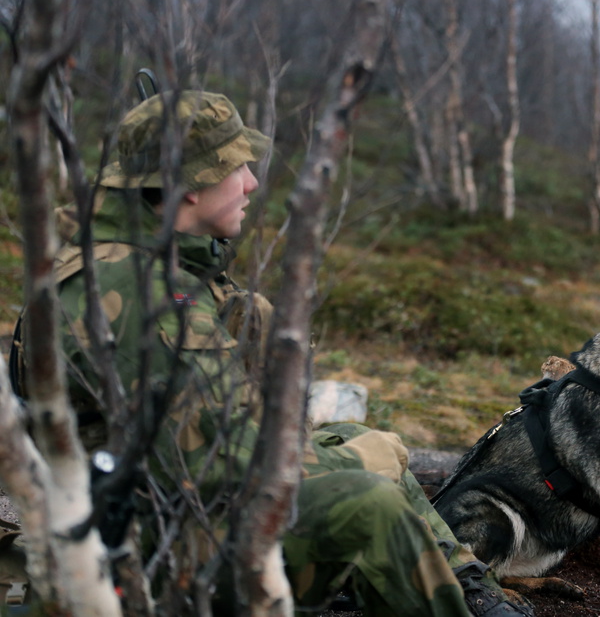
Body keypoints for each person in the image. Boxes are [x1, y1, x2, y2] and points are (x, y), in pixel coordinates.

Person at [8, 90, 530, 617]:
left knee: (356, 440)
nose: (252, 183)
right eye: (237, 167)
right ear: (190, 184)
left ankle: (464, 588)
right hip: (142, 556)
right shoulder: (143, 296)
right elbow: (219, 469)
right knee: (369, 499)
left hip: (153, 516)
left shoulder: (135, 262)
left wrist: (350, 450)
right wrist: (357, 461)